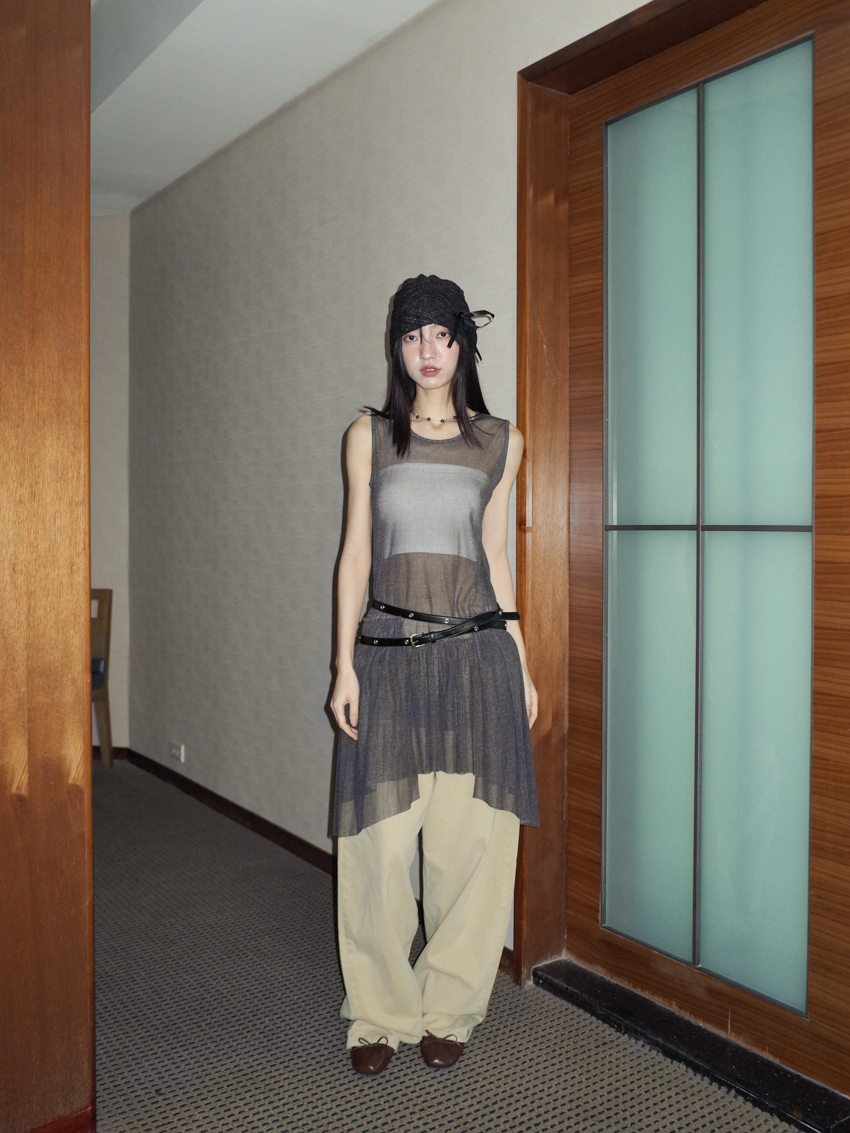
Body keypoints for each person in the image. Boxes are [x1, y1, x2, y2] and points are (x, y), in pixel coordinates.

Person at [331, 274, 539, 1076]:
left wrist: (522, 662)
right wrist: (343, 663)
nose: (427, 350)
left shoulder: (500, 442)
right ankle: (379, 1012)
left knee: (469, 844)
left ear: (463, 344)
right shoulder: (370, 436)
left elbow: (496, 556)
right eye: (412, 335)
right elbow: (355, 553)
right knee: (377, 845)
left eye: (442, 335)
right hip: (387, 656)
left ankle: (450, 1003)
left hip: (476, 657)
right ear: (397, 345)